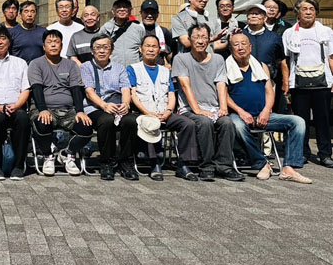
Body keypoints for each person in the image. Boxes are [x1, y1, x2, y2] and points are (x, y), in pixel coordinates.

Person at [226, 33, 312, 183]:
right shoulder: (225, 67)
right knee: (236, 126)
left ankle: (289, 168)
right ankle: (262, 163)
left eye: (244, 44)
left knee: (298, 122)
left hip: (262, 114)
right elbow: (224, 94)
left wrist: (266, 110)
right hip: (238, 115)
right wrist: (240, 111)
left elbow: (269, 91)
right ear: (231, 49)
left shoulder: (261, 66)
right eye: (236, 44)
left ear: (250, 47)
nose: (240, 47)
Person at [172, 24, 243, 182]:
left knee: (227, 123)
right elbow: (185, 86)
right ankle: (206, 166)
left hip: (213, 108)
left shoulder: (218, 59)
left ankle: (224, 166)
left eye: (204, 37)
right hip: (189, 109)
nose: (200, 41)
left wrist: (223, 108)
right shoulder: (181, 58)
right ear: (189, 39)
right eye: (196, 37)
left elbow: (221, 84)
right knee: (204, 122)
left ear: (209, 39)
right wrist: (197, 110)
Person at [128, 35, 200, 181]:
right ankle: (155, 163)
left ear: (159, 50)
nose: (150, 49)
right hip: (144, 113)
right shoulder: (133, 69)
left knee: (188, 124)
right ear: (141, 49)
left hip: (164, 112)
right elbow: (133, 95)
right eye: (147, 46)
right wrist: (148, 113)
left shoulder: (165, 71)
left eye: (154, 46)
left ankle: (183, 164)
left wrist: (168, 111)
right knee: (151, 123)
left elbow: (171, 94)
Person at [282, 0, 333, 169]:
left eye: (312, 9)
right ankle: (303, 152)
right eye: (304, 9)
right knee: (301, 121)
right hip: (298, 82)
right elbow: (285, 60)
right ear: (297, 12)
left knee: (323, 120)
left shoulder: (326, 31)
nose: (308, 12)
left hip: (322, 82)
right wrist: (286, 82)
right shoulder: (289, 33)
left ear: (316, 12)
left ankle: (325, 155)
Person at [28, 29, 93, 176]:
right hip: (44, 108)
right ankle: (48, 156)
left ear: (61, 46)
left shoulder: (71, 65)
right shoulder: (36, 64)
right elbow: (36, 88)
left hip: (68, 110)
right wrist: (42, 109)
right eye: (49, 42)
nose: (53, 45)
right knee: (42, 124)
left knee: (86, 127)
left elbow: (76, 89)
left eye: (56, 42)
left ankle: (67, 154)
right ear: (43, 46)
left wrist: (80, 111)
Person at [80, 35, 139, 181]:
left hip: (117, 105)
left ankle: (126, 162)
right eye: (98, 48)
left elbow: (125, 89)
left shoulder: (119, 68)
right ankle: (107, 162)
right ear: (92, 51)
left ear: (111, 50)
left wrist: (125, 104)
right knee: (106, 121)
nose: (101, 51)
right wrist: (104, 105)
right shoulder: (86, 67)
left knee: (131, 121)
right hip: (95, 107)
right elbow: (89, 91)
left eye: (105, 47)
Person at [0, 26, 30, 180]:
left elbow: (25, 89)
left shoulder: (20, 63)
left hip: (16, 106)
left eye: (3, 38)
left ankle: (18, 166)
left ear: (9, 41)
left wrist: (17, 105)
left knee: (23, 119)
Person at [244, 4, 288, 113]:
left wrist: (285, 82)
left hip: (268, 82)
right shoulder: (240, 35)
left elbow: (281, 60)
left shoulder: (274, 37)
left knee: (267, 113)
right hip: (244, 82)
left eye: (257, 14)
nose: (253, 16)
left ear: (265, 18)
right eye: (251, 13)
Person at [125, 0, 176, 67]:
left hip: (159, 69)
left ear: (157, 14)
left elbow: (174, 49)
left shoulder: (163, 31)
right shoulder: (134, 31)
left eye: (153, 13)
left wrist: (170, 64)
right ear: (141, 13)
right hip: (139, 68)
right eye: (146, 12)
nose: (149, 15)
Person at [97, 0, 140, 66]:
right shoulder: (105, 29)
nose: (122, 9)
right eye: (119, 7)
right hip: (113, 69)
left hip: (134, 70)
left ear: (130, 10)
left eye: (125, 7)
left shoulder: (138, 28)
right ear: (113, 11)